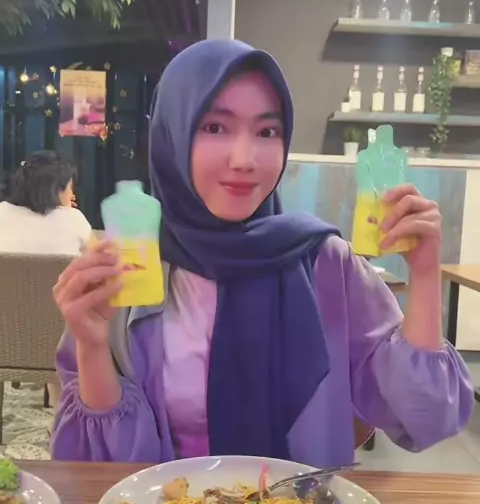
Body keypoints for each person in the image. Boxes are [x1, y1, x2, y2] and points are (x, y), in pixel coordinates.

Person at [51, 40, 473, 464]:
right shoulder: (129, 267)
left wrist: (424, 275)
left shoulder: (326, 263)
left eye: (267, 132)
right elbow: (101, 469)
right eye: (215, 127)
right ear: (172, 136)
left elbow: (427, 417)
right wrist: (92, 345)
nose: (245, 159)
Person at [0, 151, 91, 256]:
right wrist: (68, 213)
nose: (72, 195)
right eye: (70, 188)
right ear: (56, 190)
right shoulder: (74, 219)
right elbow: (101, 260)